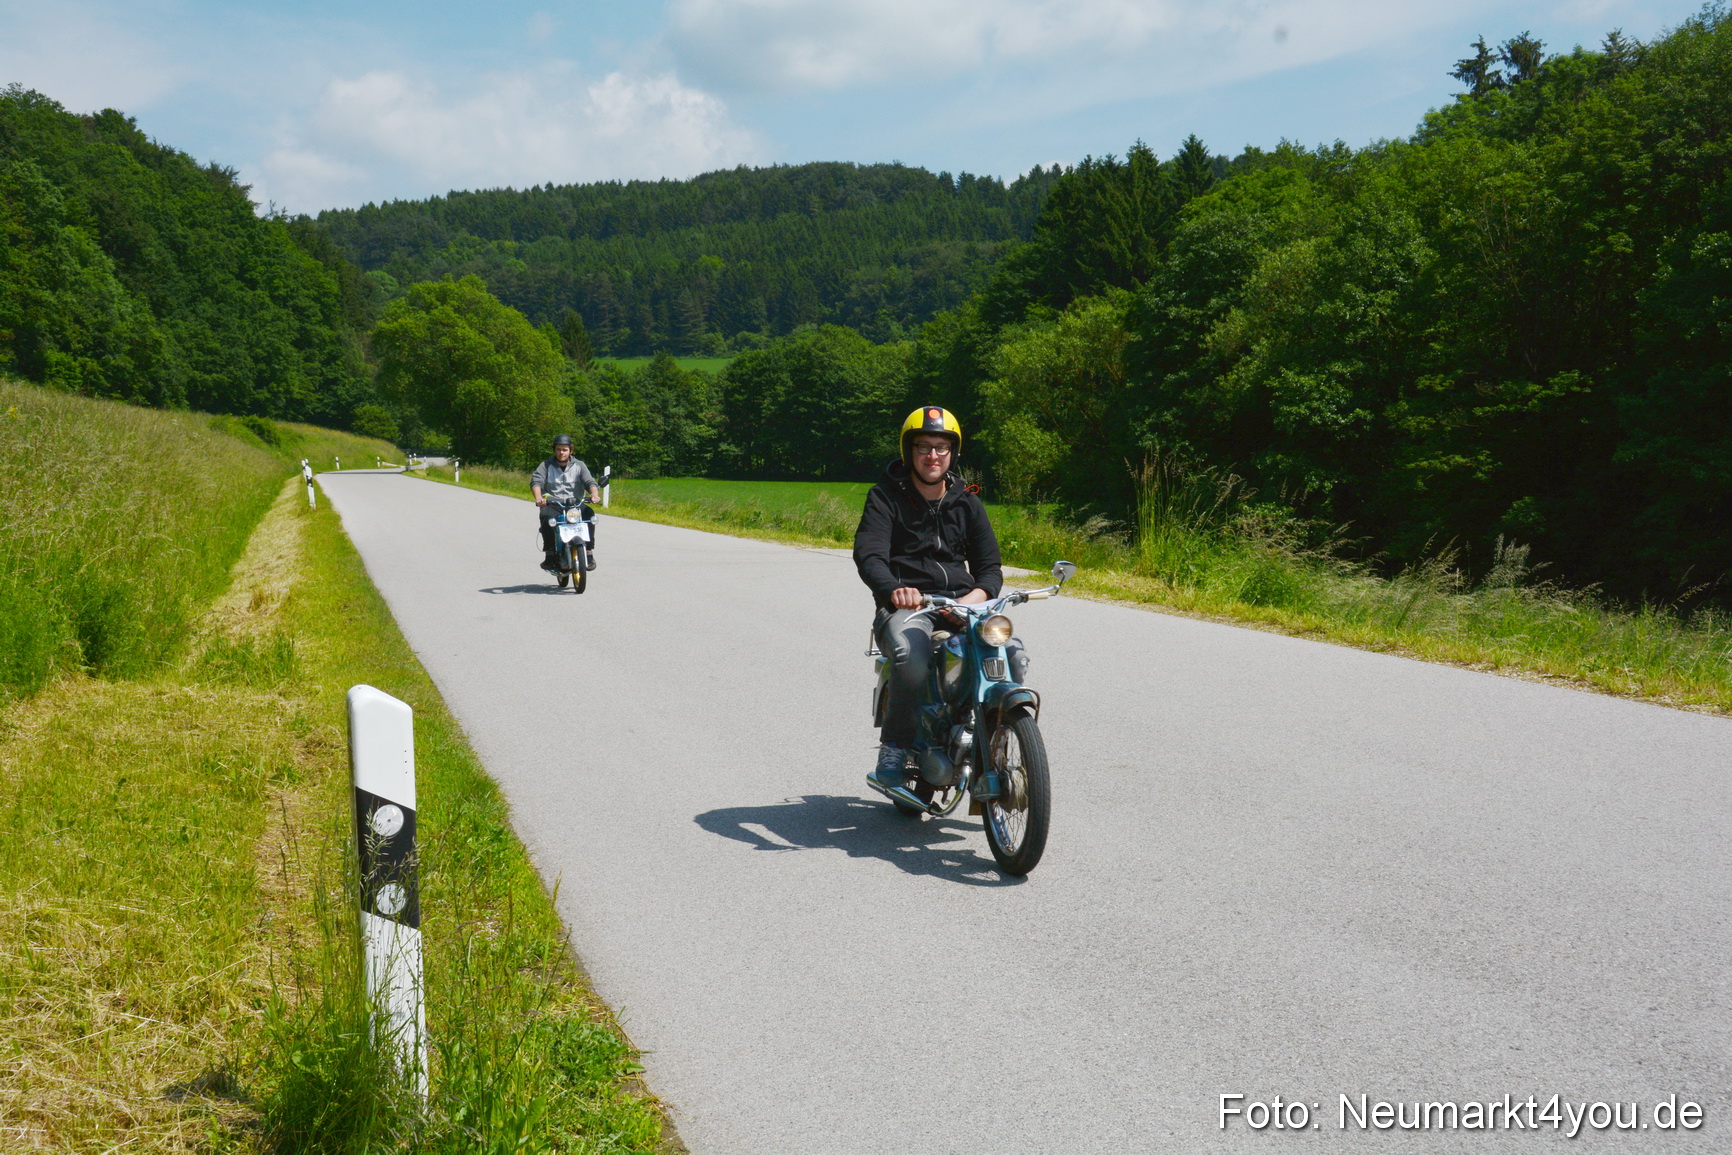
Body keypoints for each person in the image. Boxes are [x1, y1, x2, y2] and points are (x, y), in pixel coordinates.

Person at [853, 406, 1025, 794]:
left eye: (942, 447)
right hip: (908, 606)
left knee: (1010, 653)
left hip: (962, 604)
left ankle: (993, 748)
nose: (933, 456)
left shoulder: (968, 503)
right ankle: (894, 749)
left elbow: (990, 568)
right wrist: (895, 589)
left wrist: (973, 598)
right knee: (910, 658)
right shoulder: (885, 498)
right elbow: (870, 555)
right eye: (924, 447)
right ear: (908, 452)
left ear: (953, 453)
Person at [531, 434, 601, 571]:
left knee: (589, 514)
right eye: (558, 449)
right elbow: (536, 482)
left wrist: (594, 494)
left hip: (575, 504)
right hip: (554, 504)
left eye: (564, 449)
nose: (561, 452)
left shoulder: (579, 465)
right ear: (554, 450)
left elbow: (589, 482)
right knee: (546, 516)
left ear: (571, 451)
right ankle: (550, 554)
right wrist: (539, 498)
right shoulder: (545, 465)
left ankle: (588, 551)